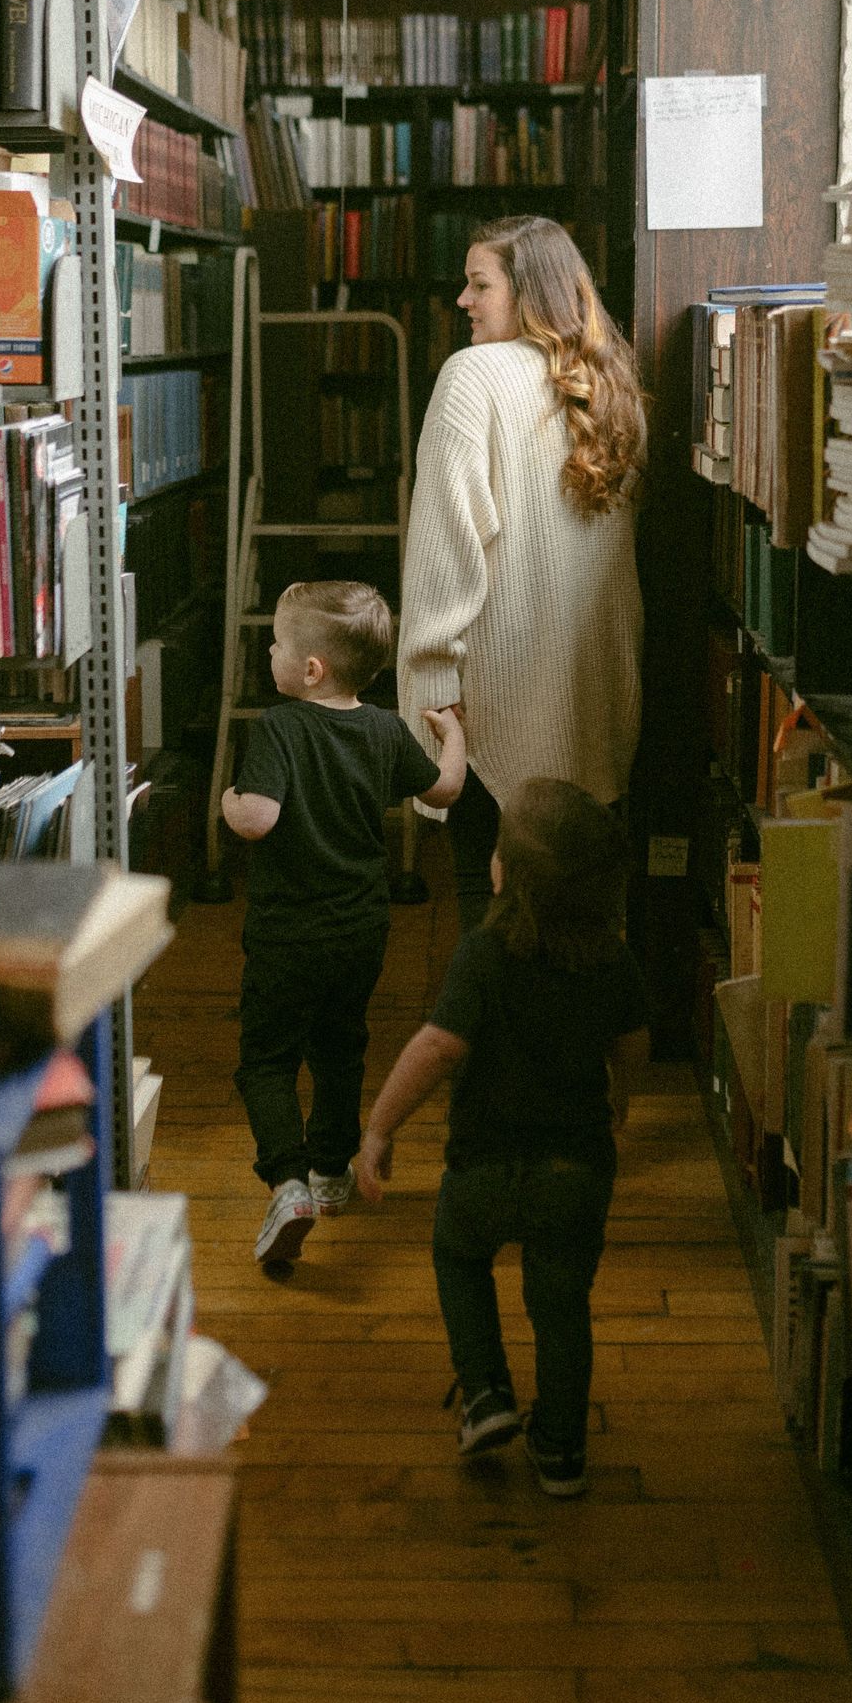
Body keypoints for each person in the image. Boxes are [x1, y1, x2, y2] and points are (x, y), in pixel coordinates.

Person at [355, 779, 648, 1498]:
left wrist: (379, 1129)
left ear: (506, 876)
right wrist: (621, 1096)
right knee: (561, 1306)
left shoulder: (483, 956)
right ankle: (561, 1450)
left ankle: (486, 1394)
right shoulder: (613, 958)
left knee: (459, 1258)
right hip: (575, 1168)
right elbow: (634, 1041)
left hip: (483, 1164)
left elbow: (435, 1048)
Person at [396, 215, 645, 932]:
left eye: (480, 285)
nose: (462, 301)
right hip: (596, 703)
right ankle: (576, 1048)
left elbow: (446, 548)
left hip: (494, 706)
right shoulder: (612, 383)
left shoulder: (473, 376)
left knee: (491, 910)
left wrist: (436, 686)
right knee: (580, 921)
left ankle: (489, 1046)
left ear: (530, 293)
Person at [222, 579, 466, 1269]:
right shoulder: (385, 730)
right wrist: (454, 736)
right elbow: (445, 790)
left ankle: (287, 1180)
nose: (269, 651)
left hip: (285, 935)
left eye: (277, 644)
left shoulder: (278, 727)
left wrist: (229, 800)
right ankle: (332, 1171)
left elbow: (259, 818)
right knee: (339, 1047)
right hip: (361, 930)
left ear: (310, 670)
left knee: (267, 1061)